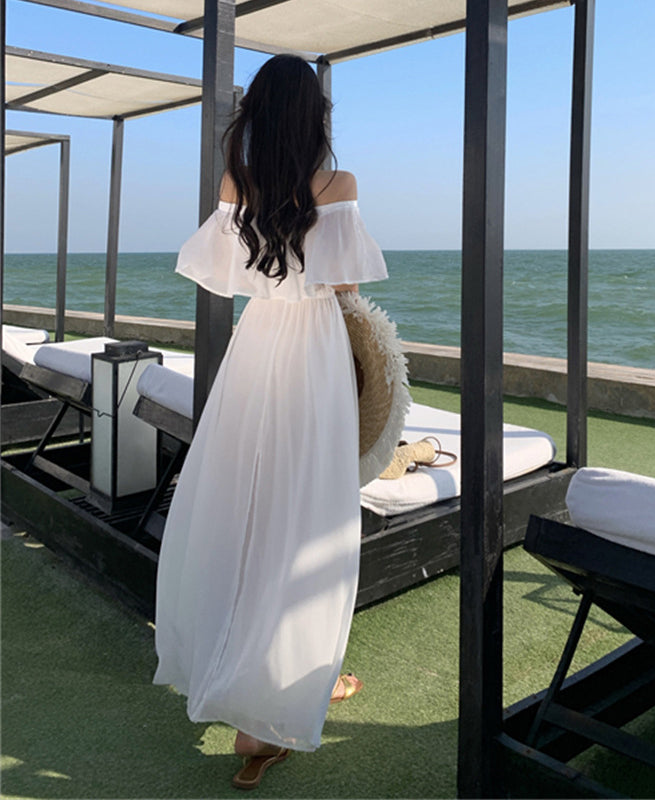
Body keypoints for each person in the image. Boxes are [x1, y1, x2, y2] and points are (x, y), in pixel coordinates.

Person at [152, 54, 387, 790]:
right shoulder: (339, 186)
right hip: (313, 354)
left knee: (244, 510)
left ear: (257, 114)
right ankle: (282, 696)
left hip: (256, 350)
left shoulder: (238, 184)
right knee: (306, 517)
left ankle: (242, 682)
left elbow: (229, 277)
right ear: (316, 117)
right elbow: (342, 283)